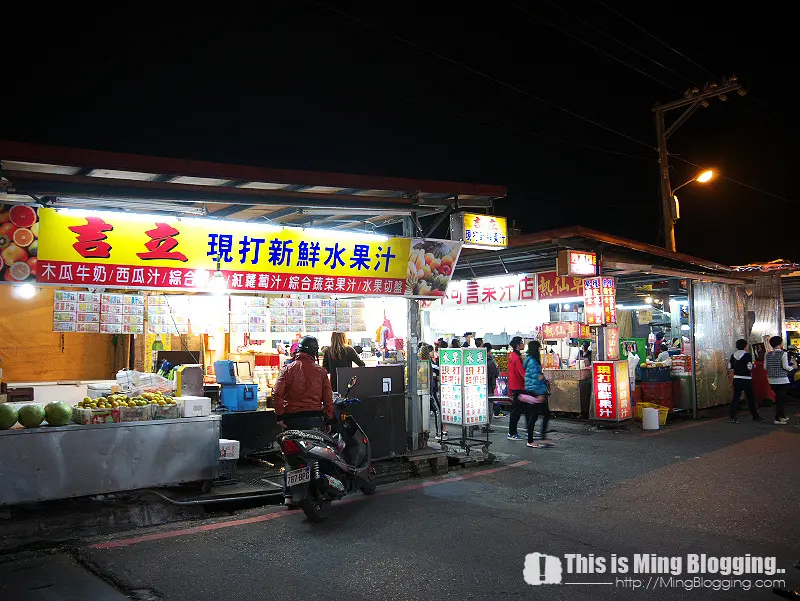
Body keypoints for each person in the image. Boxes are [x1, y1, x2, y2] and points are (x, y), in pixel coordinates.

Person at [273, 336, 333, 431]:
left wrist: (279, 416)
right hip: (315, 419)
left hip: (291, 419)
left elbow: (277, 393)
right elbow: (328, 397)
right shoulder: (321, 372)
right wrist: (329, 419)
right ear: (314, 352)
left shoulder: (286, 369)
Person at [523, 341, 553, 448]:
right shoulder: (533, 362)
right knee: (535, 416)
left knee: (544, 414)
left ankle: (542, 437)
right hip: (536, 391)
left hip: (535, 390)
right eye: (539, 348)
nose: (540, 350)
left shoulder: (530, 360)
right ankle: (531, 440)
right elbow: (538, 378)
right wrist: (539, 393)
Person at [729, 338, 763, 423]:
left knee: (736, 398)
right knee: (750, 398)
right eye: (747, 345)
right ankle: (755, 416)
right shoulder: (747, 355)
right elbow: (749, 367)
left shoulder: (733, 355)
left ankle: (732, 416)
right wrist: (754, 366)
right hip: (746, 379)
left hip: (736, 378)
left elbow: (730, 367)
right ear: (745, 346)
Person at [765, 335, 793, 425]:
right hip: (782, 380)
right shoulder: (783, 353)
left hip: (771, 380)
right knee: (781, 400)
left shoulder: (768, 354)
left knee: (779, 398)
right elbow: (785, 366)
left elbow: (765, 367)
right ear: (780, 344)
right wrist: (793, 367)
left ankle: (783, 416)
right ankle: (777, 419)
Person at [506, 336, 527, 441]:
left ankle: (513, 432)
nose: (523, 344)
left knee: (516, 410)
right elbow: (522, 373)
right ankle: (512, 432)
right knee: (516, 411)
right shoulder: (517, 358)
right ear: (518, 345)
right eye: (522, 343)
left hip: (514, 386)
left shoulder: (512, 356)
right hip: (518, 387)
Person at [484, 342, 504, 417]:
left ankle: (475, 425)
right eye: (490, 351)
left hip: (481, 387)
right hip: (489, 387)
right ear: (488, 351)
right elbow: (496, 374)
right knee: (489, 408)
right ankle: (486, 426)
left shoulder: (479, 361)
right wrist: (497, 368)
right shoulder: (491, 362)